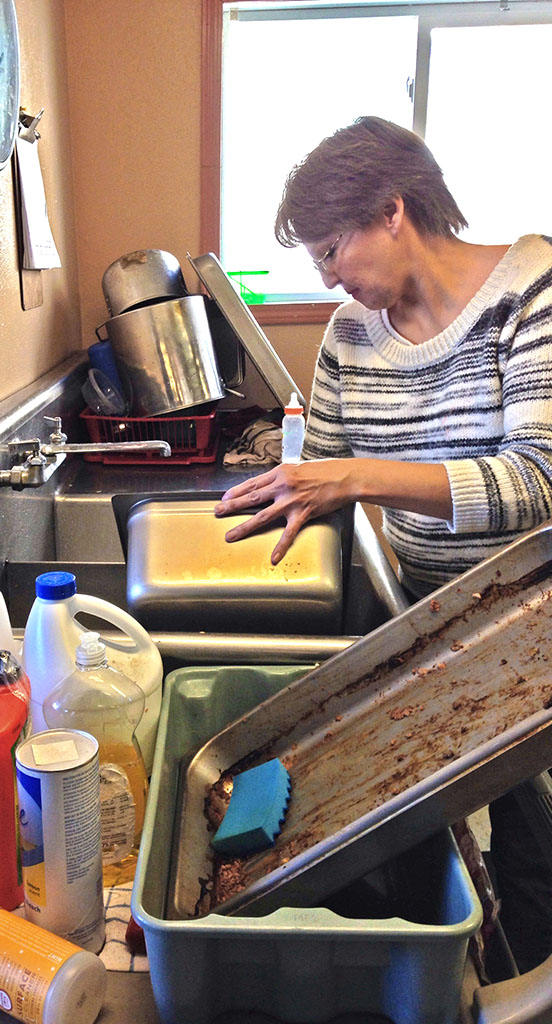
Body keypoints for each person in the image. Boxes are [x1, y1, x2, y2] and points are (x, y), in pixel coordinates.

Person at [214, 115, 552, 972]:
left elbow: (537, 481)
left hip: (532, 633)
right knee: (433, 844)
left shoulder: (531, 290)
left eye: (332, 250)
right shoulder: (349, 336)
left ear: (393, 210)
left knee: (534, 843)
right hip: (428, 625)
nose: (329, 277)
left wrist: (362, 476)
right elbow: (321, 482)